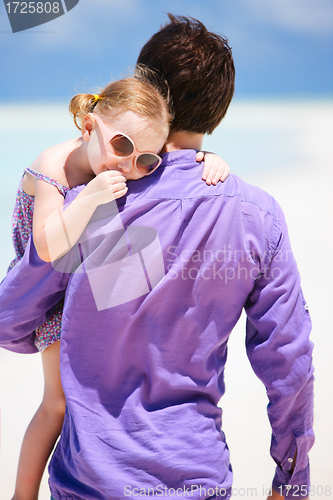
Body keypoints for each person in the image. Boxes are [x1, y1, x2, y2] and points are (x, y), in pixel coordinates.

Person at [0, 14, 314, 500]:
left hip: (93, 482)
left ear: (148, 97)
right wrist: (290, 482)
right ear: (220, 110)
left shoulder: (99, 208)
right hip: (199, 476)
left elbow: (11, 319)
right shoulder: (257, 216)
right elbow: (289, 361)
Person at [7, 74, 229, 500]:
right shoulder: (52, 165)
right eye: (121, 147)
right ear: (89, 127)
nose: (129, 165)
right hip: (51, 292)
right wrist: (89, 198)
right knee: (58, 403)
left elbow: (179, 156)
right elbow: (46, 247)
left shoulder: (129, 153)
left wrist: (212, 158)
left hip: (90, 270)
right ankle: (23, 494)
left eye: (146, 160)